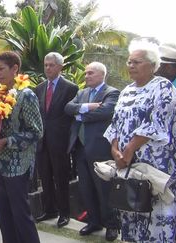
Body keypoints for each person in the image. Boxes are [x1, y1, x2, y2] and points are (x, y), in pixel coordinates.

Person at [104, 40, 176, 242]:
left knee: (156, 225)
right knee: (130, 219)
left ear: (152, 64)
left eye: (136, 62)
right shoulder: (126, 91)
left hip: (156, 170)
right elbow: (115, 124)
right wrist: (115, 151)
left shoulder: (164, 88)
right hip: (129, 170)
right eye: (129, 62)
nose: (131, 65)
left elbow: (156, 123)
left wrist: (129, 149)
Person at [0, 51, 42, 243]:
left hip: (17, 165)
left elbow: (36, 132)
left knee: (20, 215)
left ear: (15, 68)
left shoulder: (26, 95)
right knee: (4, 215)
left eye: (1, 69)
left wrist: (7, 141)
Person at [64, 62, 120, 241]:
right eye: (86, 73)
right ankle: (94, 221)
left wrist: (79, 113)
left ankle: (111, 225)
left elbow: (105, 112)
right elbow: (67, 108)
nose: (86, 76)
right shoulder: (82, 93)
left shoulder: (112, 92)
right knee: (86, 188)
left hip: (99, 149)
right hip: (80, 148)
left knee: (104, 189)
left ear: (102, 75)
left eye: (91, 73)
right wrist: (89, 106)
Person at [34, 52, 78, 227]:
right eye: (46, 65)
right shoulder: (39, 88)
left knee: (61, 178)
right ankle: (49, 209)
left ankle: (64, 213)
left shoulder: (70, 88)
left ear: (60, 67)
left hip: (60, 141)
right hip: (42, 141)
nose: (48, 68)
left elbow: (71, 116)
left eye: (51, 65)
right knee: (45, 177)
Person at [156, 44, 176, 242]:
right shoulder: (157, 87)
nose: (156, 70)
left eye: (159, 66)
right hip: (160, 160)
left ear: (171, 68)